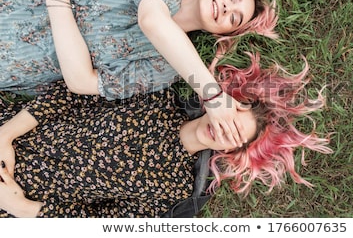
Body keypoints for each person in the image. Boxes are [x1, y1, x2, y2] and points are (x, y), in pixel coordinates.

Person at [0, 52, 332, 218]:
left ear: (236, 152)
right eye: (233, 114)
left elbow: (99, 221)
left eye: (234, 134)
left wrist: (19, 206)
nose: (223, 126)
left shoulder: (175, 191)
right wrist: (6, 135)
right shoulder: (157, 93)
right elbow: (74, 93)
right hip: (12, 129)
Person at [0, 0, 278, 147]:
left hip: (13, 58)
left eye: (234, 18)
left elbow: (80, 82)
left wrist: (58, 1)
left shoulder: (165, 70)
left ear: (223, 34)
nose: (228, 7)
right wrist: (212, 95)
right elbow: (152, 20)